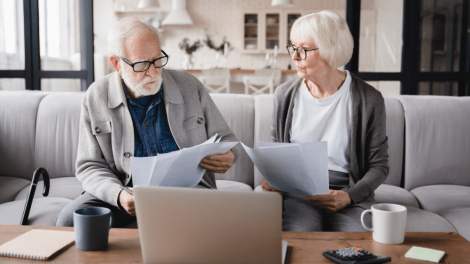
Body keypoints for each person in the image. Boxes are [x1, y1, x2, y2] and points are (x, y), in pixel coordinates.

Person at [56, 17, 241, 227]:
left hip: (188, 192)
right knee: (69, 221)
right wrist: (119, 195)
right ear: (117, 63)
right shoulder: (96, 97)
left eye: (157, 60)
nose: (153, 72)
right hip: (125, 192)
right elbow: (89, 165)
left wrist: (229, 156)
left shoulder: (190, 86)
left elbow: (228, 140)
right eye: (142, 64)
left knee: (222, 222)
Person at [262, 11, 389, 231]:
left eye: (303, 50)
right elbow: (276, 153)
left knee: (355, 247)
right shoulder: (284, 95)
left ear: (331, 50)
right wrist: (272, 179)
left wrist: (349, 196)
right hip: (299, 193)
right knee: (298, 236)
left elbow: (379, 166)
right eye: (293, 47)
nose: (294, 57)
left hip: (349, 191)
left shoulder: (369, 99)